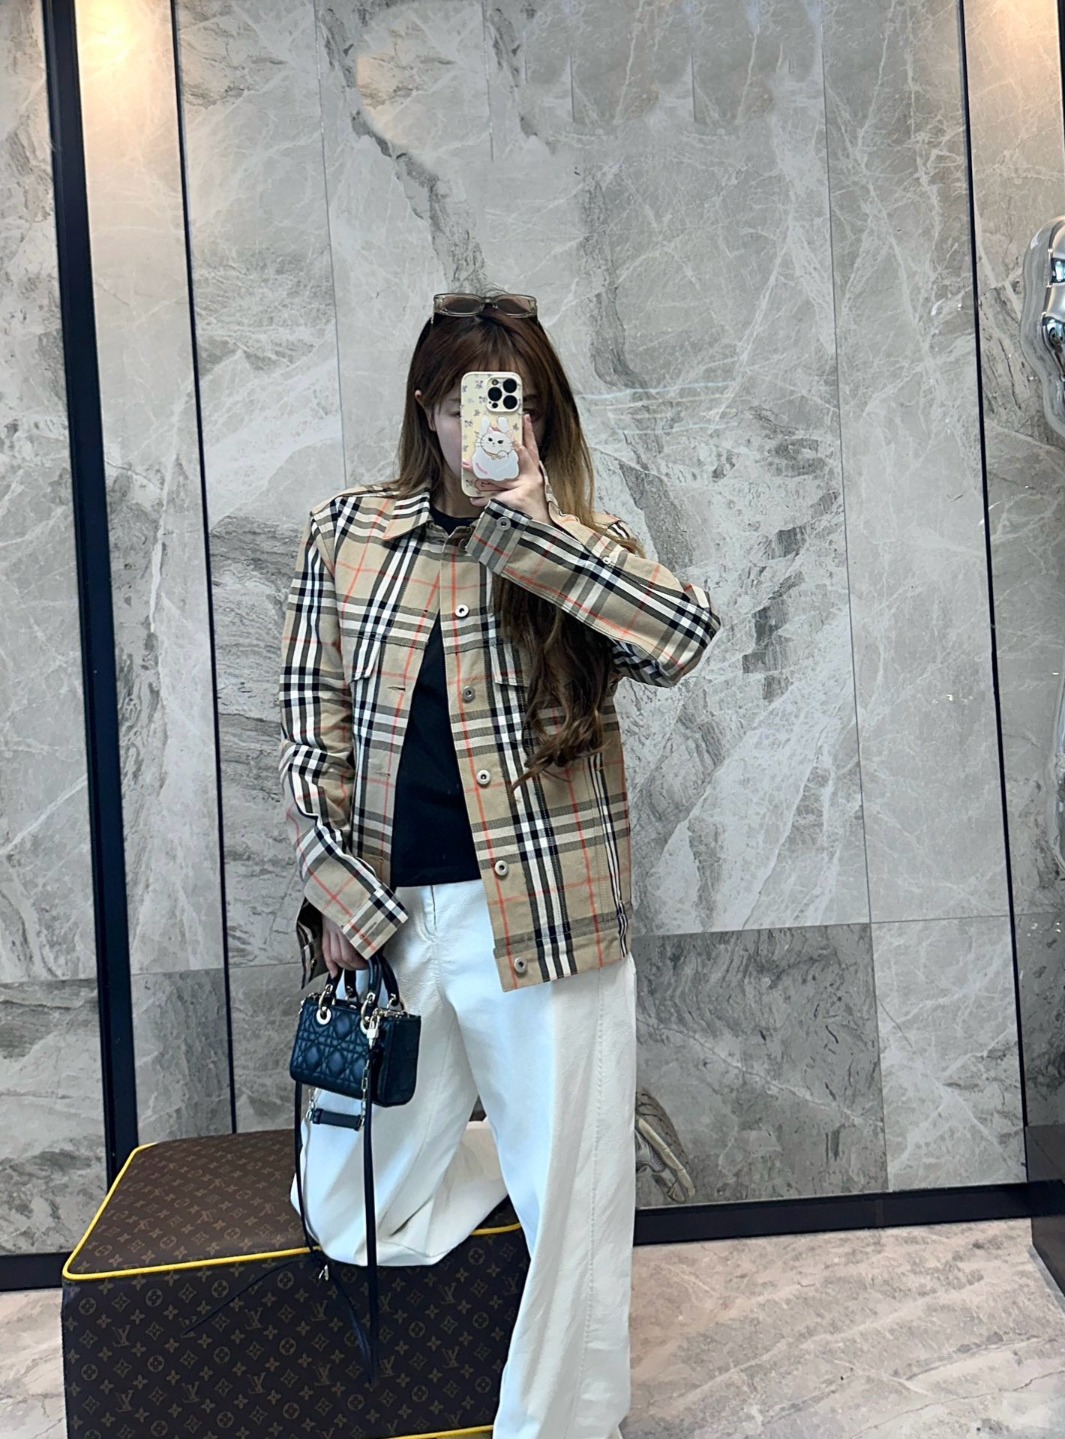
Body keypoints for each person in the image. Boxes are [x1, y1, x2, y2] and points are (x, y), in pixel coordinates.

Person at [278, 289, 721, 1439]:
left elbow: (682, 638)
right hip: (393, 921)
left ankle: (558, 1411)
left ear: (538, 415)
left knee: (572, 1226)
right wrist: (336, 891)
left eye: (514, 402)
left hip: (549, 915)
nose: (489, 423)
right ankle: (556, 1140)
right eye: (467, 401)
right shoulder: (345, 533)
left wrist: (538, 526)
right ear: (428, 408)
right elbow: (311, 733)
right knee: (344, 1203)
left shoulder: (577, 536)